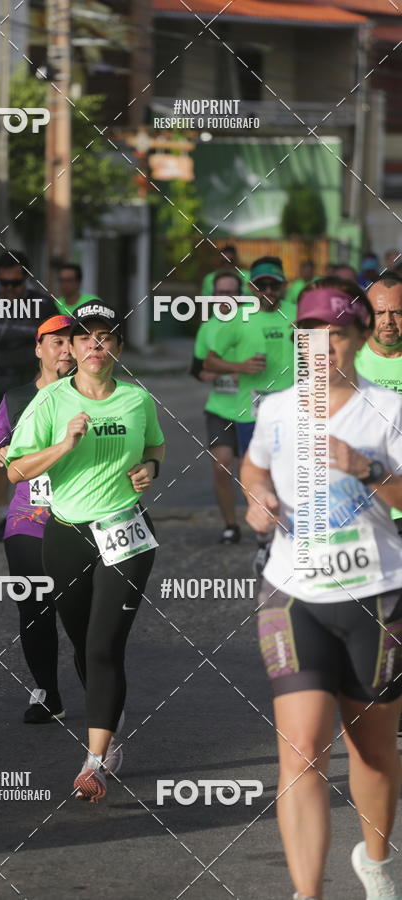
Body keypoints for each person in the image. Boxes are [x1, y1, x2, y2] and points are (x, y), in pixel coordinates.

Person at [241, 279, 402, 900]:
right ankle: (307, 894)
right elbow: (255, 465)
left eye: (338, 333)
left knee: (373, 752)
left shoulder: (387, 407)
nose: (324, 345)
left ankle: (378, 863)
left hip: (377, 596)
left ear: (359, 339)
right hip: (294, 595)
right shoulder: (277, 408)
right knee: (303, 750)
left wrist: (367, 468)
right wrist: (257, 498)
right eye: (312, 333)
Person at [5, 301, 165, 802]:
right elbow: (15, 469)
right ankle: (109, 722)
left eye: (106, 337)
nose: (97, 346)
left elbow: (155, 448)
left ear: (117, 346)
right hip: (66, 535)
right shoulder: (50, 402)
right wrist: (64, 447)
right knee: (82, 644)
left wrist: (151, 470)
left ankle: (96, 759)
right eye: (86, 338)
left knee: (103, 646)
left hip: (125, 532)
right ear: (71, 348)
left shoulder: (138, 401)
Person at [0, 315, 74, 723]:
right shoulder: (17, 399)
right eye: (57, 343)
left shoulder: (92, 396)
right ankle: (47, 691)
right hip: (28, 517)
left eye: (73, 342)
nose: (66, 350)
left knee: (79, 609)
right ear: (39, 349)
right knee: (35, 606)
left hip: (81, 518)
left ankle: (100, 689)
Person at [202, 257, 295, 559]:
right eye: (261, 284)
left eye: (274, 284)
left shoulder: (298, 315)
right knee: (256, 474)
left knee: (292, 473)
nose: (268, 289)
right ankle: (263, 533)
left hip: (295, 408)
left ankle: (288, 531)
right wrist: (240, 365)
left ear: (284, 286)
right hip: (251, 410)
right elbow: (210, 361)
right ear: (252, 288)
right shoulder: (239, 318)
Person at [0, 250, 56, 542]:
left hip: (38, 392)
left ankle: (45, 512)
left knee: (40, 451)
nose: (9, 291)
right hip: (0, 392)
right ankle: (4, 512)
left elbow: (60, 345)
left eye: (15, 285)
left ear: (26, 281)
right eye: (3, 285)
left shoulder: (44, 306)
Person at [190, 269, 246, 543]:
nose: (226, 298)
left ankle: (265, 526)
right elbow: (196, 369)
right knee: (221, 466)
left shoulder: (252, 323)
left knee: (252, 472)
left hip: (254, 408)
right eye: (220, 293)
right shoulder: (208, 327)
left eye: (231, 292)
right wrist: (210, 375)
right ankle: (230, 525)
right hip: (220, 408)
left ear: (241, 295)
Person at [357, 272, 402, 535]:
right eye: (380, 312)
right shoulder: (347, 358)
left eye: (397, 312)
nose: (388, 321)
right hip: (364, 503)